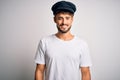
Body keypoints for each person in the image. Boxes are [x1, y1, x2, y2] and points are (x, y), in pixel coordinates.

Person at [34, 1, 92, 80]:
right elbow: (39, 70)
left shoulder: (82, 44)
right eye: (60, 18)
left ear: (72, 19)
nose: (64, 22)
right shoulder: (44, 42)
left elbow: (85, 73)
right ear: (55, 19)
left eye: (67, 18)